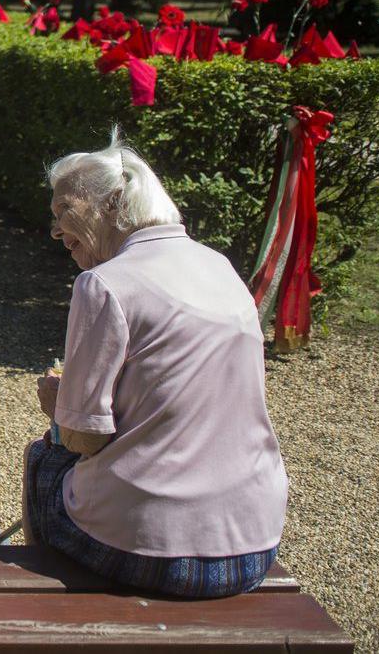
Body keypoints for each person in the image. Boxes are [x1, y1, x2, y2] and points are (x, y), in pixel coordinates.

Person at [24, 131, 288, 597]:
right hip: (254, 546)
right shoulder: (221, 267)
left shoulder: (103, 284)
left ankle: (48, 599)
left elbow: (86, 437)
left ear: (111, 204)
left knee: (46, 457)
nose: (55, 229)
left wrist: (60, 407)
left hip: (151, 552)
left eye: (65, 210)